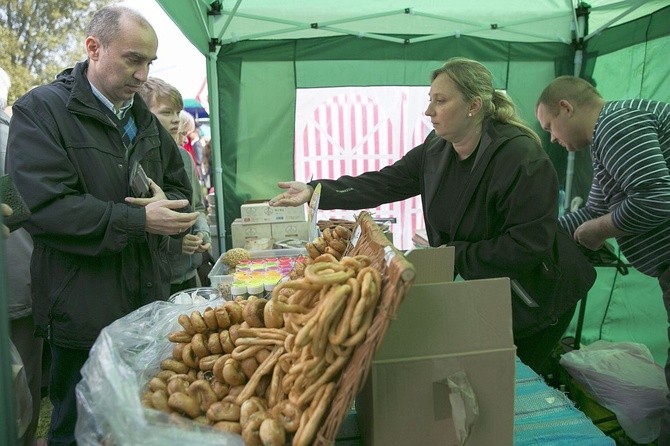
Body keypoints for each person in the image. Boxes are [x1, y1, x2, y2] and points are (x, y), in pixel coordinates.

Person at [270, 57, 596, 374]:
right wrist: (317, 191)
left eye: (440, 101)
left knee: (511, 381)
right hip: (487, 287)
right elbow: (386, 181)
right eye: (430, 100)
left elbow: (527, 246)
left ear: (473, 106)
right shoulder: (436, 149)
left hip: (538, 296)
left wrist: (449, 256)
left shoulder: (521, 158)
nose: (429, 111)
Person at [4, 6, 199, 445]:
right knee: (78, 425)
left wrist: (172, 209)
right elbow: (45, 208)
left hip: (145, 305)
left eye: (150, 62)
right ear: (94, 48)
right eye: (134, 59)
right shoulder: (40, 110)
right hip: (81, 309)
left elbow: (173, 184)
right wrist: (139, 219)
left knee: (135, 423)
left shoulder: (140, 116)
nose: (144, 74)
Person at [535, 75, 670, 445]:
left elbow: (656, 200)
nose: (552, 139)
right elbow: (592, 209)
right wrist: (534, 238)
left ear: (566, 108)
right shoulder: (605, 141)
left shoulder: (616, 122)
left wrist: (601, 230)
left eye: (549, 127)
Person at [1, 65, 43, 446]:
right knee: (19, 382)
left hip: (16, 278)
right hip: (18, 281)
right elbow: (27, 212)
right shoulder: (9, 136)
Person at [139, 77, 211, 293]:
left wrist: (202, 233)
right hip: (157, 281)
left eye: (178, 113)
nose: (176, 120)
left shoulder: (184, 157)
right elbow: (138, 222)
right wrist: (174, 245)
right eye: (166, 112)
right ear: (143, 113)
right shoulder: (136, 161)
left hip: (191, 274)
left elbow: (197, 207)